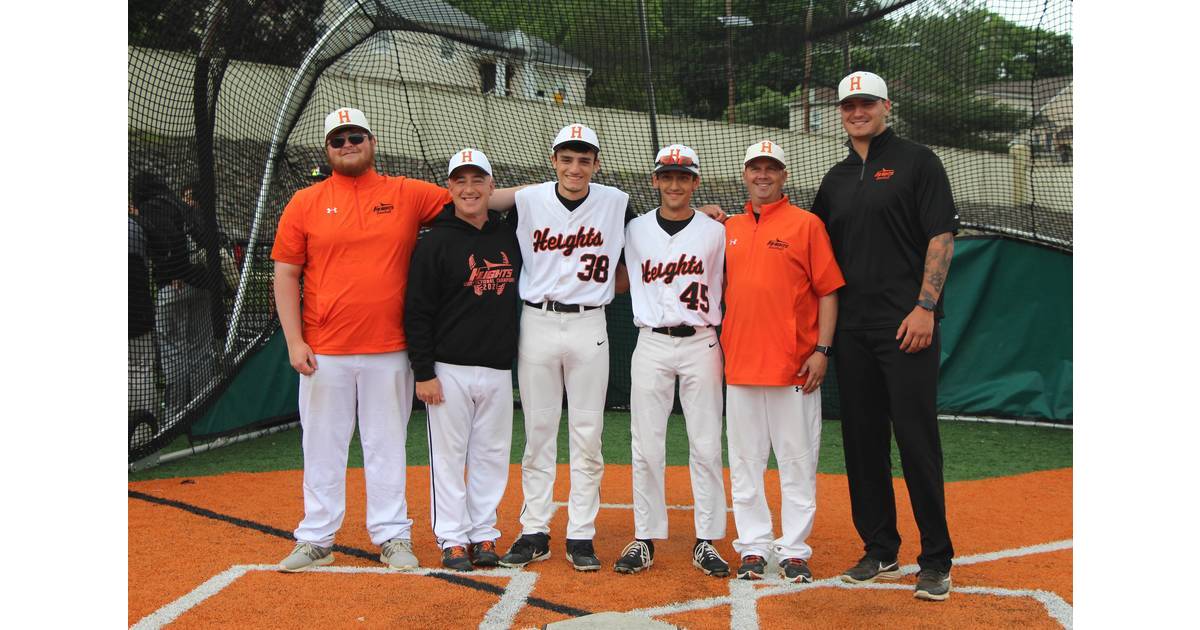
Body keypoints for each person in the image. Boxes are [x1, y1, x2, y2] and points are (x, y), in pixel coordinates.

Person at [271, 107, 518, 573]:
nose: (348, 145)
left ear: (372, 140)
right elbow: (286, 272)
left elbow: (477, 197)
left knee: (386, 446)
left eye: (355, 136)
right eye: (338, 140)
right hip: (325, 350)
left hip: (390, 349)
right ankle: (316, 537)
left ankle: (392, 537)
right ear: (328, 149)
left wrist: (560, 194)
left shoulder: (405, 193)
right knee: (322, 447)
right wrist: (293, 340)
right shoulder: (305, 202)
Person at [811, 71, 959, 602]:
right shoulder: (834, 178)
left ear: (886, 106)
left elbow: (940, 235)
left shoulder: (919, 160)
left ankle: (936, 559)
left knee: (917, 441)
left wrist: (926, 306)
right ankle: (879, 547)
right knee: (862, 441)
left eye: (867, 103)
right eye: (849, 105)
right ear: (841, 112)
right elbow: (813, 249)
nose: (858, 111)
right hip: (852, 331)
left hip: (907, 328)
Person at [499, 124, 632, 572]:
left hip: (588, 323)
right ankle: (534, 529)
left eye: (584, 159)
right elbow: (479, 199)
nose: (575, 167)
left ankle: (581, 533)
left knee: (587, 433)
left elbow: (649, 251)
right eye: (567, 158)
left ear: (596, 162)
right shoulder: (529, 200)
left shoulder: (616, 202)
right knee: (538, 432)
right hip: (536, 320)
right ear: (553, 160)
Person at [721, 140, 844, 583]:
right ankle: (753, 547)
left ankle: (793, 550)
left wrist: (822, 350)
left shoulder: (806, 224)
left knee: (796, 462)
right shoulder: (729, 227)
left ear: (784, 176)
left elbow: (828, 290)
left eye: (771, 168)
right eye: (755, 167)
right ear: (745, 174)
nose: (763, 175)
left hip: (795, 367)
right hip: (740, 367)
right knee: (746, 462)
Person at [610, 145, 730, 577]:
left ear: (696, 182)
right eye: (667, 176)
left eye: (683, 177)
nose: (675, 184)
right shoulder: (635, 230)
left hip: (701, 341)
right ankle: (644, 537)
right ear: (655, 180)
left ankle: (706, 540)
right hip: (652, 342)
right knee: (646, 445)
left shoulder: (718, 231)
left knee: (706, 445)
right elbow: (619, 281)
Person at [404, 149, 521, 572]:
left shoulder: (510, 234)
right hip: (448, 369)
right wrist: (424, 372)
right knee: (450, 458)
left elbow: (544, 195)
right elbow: (416, 310)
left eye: (478, 181)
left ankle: (484, 533)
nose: (469, 189)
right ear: (449, 189)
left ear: (492, 187)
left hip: (496, 368)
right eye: (460, 182)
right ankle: (453, 538)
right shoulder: (435, 240)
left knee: (490, 455)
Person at [131, 172, 220, 420]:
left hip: (174, 286)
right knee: (200, 350)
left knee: (173, 351)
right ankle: (201, 412)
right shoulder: (181, 205)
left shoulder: (154, 208)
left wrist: (174, 271)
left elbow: (165, 239)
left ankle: (175, 416)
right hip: (203, 284)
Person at [128, 203, 159, 446]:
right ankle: (141, 436)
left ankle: (140, 433)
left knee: (138, 369)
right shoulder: (137, 228)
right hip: (139, 316)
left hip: (137, 316)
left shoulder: (135, 227)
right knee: (140, 370)